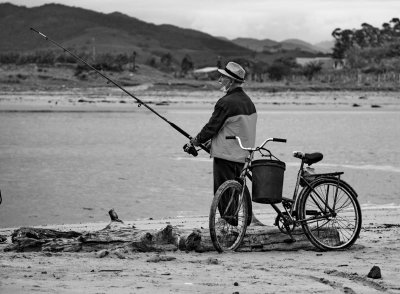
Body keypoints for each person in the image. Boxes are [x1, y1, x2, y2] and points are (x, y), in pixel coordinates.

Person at [187, 61, 257, 225]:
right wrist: (212, 142)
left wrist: (195, 141)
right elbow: (234, 128)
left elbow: (212, 127)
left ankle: (228, 226)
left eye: (223, 77)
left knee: (224, 193)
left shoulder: (226, 102)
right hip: (243, 154)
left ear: (231, 81)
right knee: (237, 189)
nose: (220, 79)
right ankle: (241, 223)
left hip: (226, 155)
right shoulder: (249, 102)